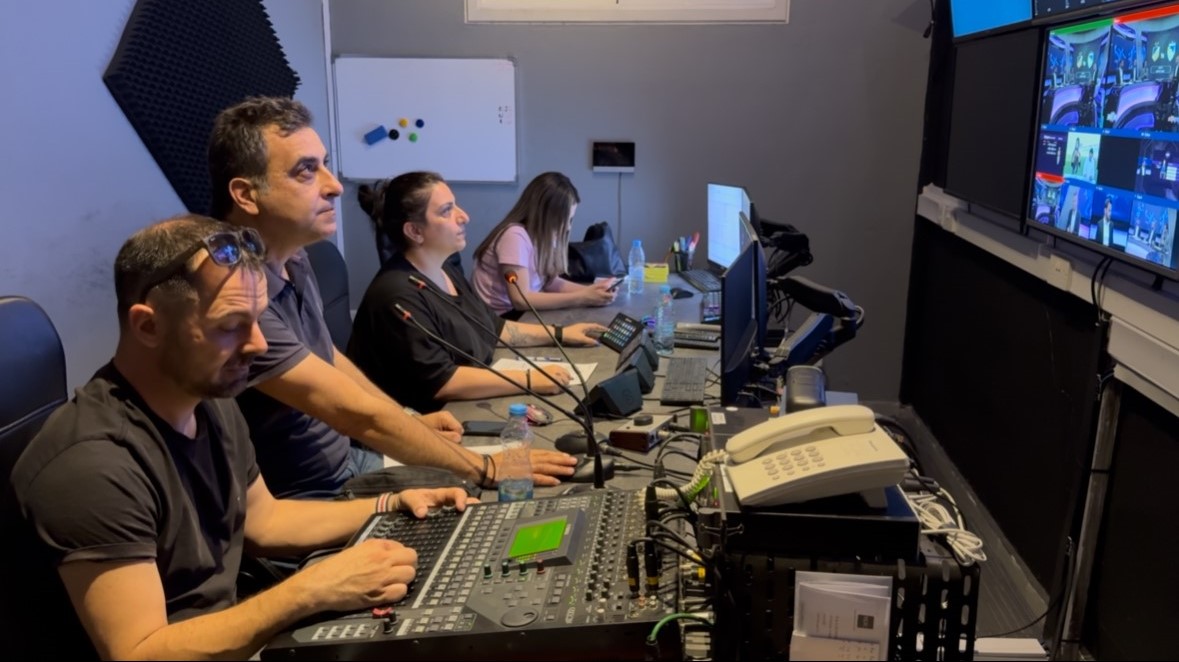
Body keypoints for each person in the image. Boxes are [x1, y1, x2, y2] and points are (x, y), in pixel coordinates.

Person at [11, 215, 476, 659]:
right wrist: (310, 590)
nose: (257, 344)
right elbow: (140, 651)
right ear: (148, 326)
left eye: (258, 319)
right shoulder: (92, 465)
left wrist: (389, 505)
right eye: (231, 326)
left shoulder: (210, 401)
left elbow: (264, 521)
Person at [208, 96, 577, 497]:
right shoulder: (234, 294)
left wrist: (407, 417)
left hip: (351, 457)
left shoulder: (295, 259)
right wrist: (486, 468)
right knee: (506, 495)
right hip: (316, 492)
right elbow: (354, 414)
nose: (334, 186)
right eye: (306, 171)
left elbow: (328, 357)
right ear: (246, 195)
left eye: (325, 164)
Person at [349, 171, 609, 413]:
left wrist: (560, 334)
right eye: (447, 211)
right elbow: (444, 381)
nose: (464, 216)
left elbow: (493, 327)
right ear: (415, 231)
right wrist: (531, 379)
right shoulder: (397, 296)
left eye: (456, 205)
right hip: (429, 419)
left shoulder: (445, 271)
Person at [471, 172, 616, 316]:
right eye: (565, 219)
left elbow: (548, 282)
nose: (568, 227)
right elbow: (520, 300)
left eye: (570, 220)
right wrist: (582, 298)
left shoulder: (543, 236)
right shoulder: (514, 236)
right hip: (500, 318)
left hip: (520, 313)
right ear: (547, 215)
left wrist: (591, 291)